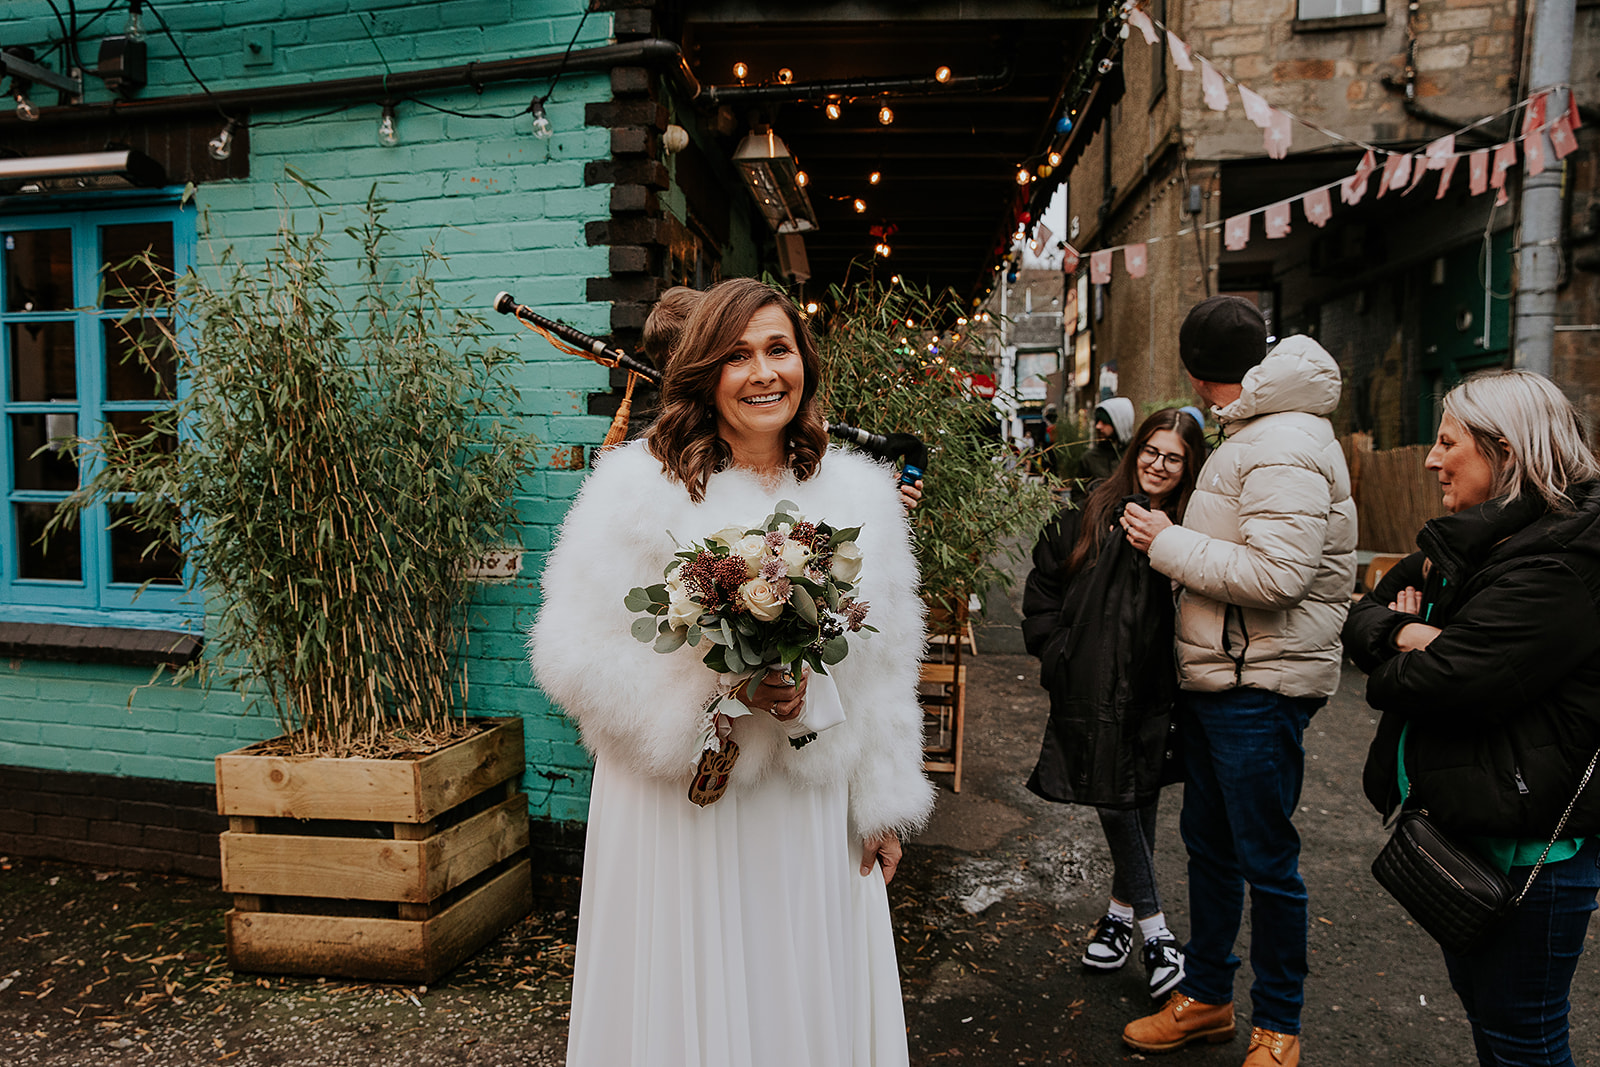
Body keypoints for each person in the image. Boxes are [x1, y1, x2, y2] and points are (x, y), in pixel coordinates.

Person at [528, 278, 934, 1067]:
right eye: (738, 354)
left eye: (778, 349)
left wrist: (882, 802)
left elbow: (885, 665)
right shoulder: (636, 492)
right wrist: (721, 690)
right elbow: (573, 654)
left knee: (798, 990)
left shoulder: (860, 497)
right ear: (705, 371)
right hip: (685, 805)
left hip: (808, 800)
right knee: (694, 998)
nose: (762, 373)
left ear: (804, 365)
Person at [1118, 295, 1356, 1067]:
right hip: (1228, 676)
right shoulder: (1258, 428)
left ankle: (1278, 1024)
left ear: (1192, 367)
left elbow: (1279, 575)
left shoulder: (1281, 440)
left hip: (1263, 682)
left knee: (1266, 859)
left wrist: (1168, 540)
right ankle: (1210, 997)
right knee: (1211, 846)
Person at [1342, 370, 1600, 1066]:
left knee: (1524, 1038)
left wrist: (1423, 648)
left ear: (1506, 454)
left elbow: (1451, 681)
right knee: (1493, 1023)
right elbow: (1364, 611)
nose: (1430, 458)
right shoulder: (1479, 538)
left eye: (1447, 440)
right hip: (1472, 828)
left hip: (1531, 854)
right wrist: (1405, 634)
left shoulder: (1566, 559)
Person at [1021, 408, 1207, 1000]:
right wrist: (1056, 651)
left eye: (1173, 457)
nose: (1158, 464)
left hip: (1158, 687)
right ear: (1135, 450)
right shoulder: (1092, 508)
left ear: (1189, 466)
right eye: (1151, 451)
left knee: (1137, 793)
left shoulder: (1192, 521)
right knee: (1115, 794)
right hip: (1092, 683)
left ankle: (1121, 917)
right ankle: (1155, 931)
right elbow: (1044, 582)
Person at [1078, 396, 1135, 482]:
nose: (1098, 426)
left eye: (1105, 422)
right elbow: (1078, 493)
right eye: (1097, 421)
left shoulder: (1136, 455)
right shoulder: (1089, 459)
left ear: (1120, 424)